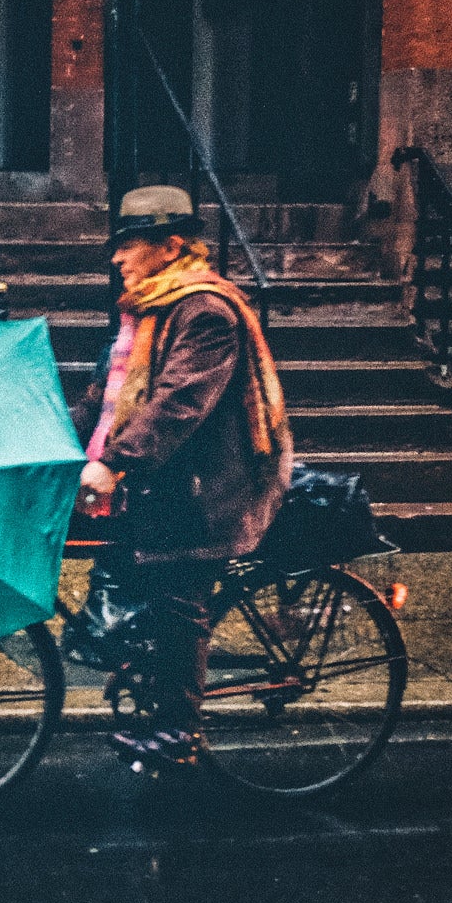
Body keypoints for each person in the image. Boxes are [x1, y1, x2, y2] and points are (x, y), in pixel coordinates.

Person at [71, 186, 294, 768]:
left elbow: (177, 406)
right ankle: (151, 675)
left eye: (129, 245)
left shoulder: (206, 313)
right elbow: (108, 396)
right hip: (163, 480)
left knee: (179, 598)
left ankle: (179, 734)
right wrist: (59, 446)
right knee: (125, 578)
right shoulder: (147, 309)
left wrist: (114, 462)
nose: (117, 258)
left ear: (170, 247)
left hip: (208, 488)